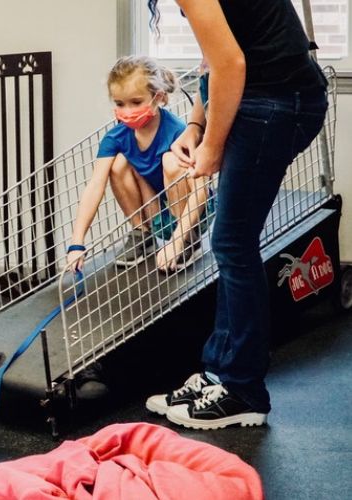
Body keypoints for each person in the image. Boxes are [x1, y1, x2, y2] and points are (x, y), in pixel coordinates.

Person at [146, 0, 328, 429]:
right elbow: (217, 57)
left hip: (277, 102)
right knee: (229, 242)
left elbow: (231, 63)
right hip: (267, 97)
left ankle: (244, 389)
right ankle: (217, 373)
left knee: (232, 241)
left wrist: (211, 145)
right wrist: (194, 126)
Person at [66, 55, 209, 274]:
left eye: (136, 102)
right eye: (120, 104)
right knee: (118, 163)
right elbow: (95, 185)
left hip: (193, 212)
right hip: (156, 210)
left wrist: (177, 241)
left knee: (170, 160)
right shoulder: (117, 138)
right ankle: (142, 234)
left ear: (158, 98)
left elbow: (200, 189)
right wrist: (77, 242)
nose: (127, 111)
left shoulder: (178, 131)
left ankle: (190, 239)